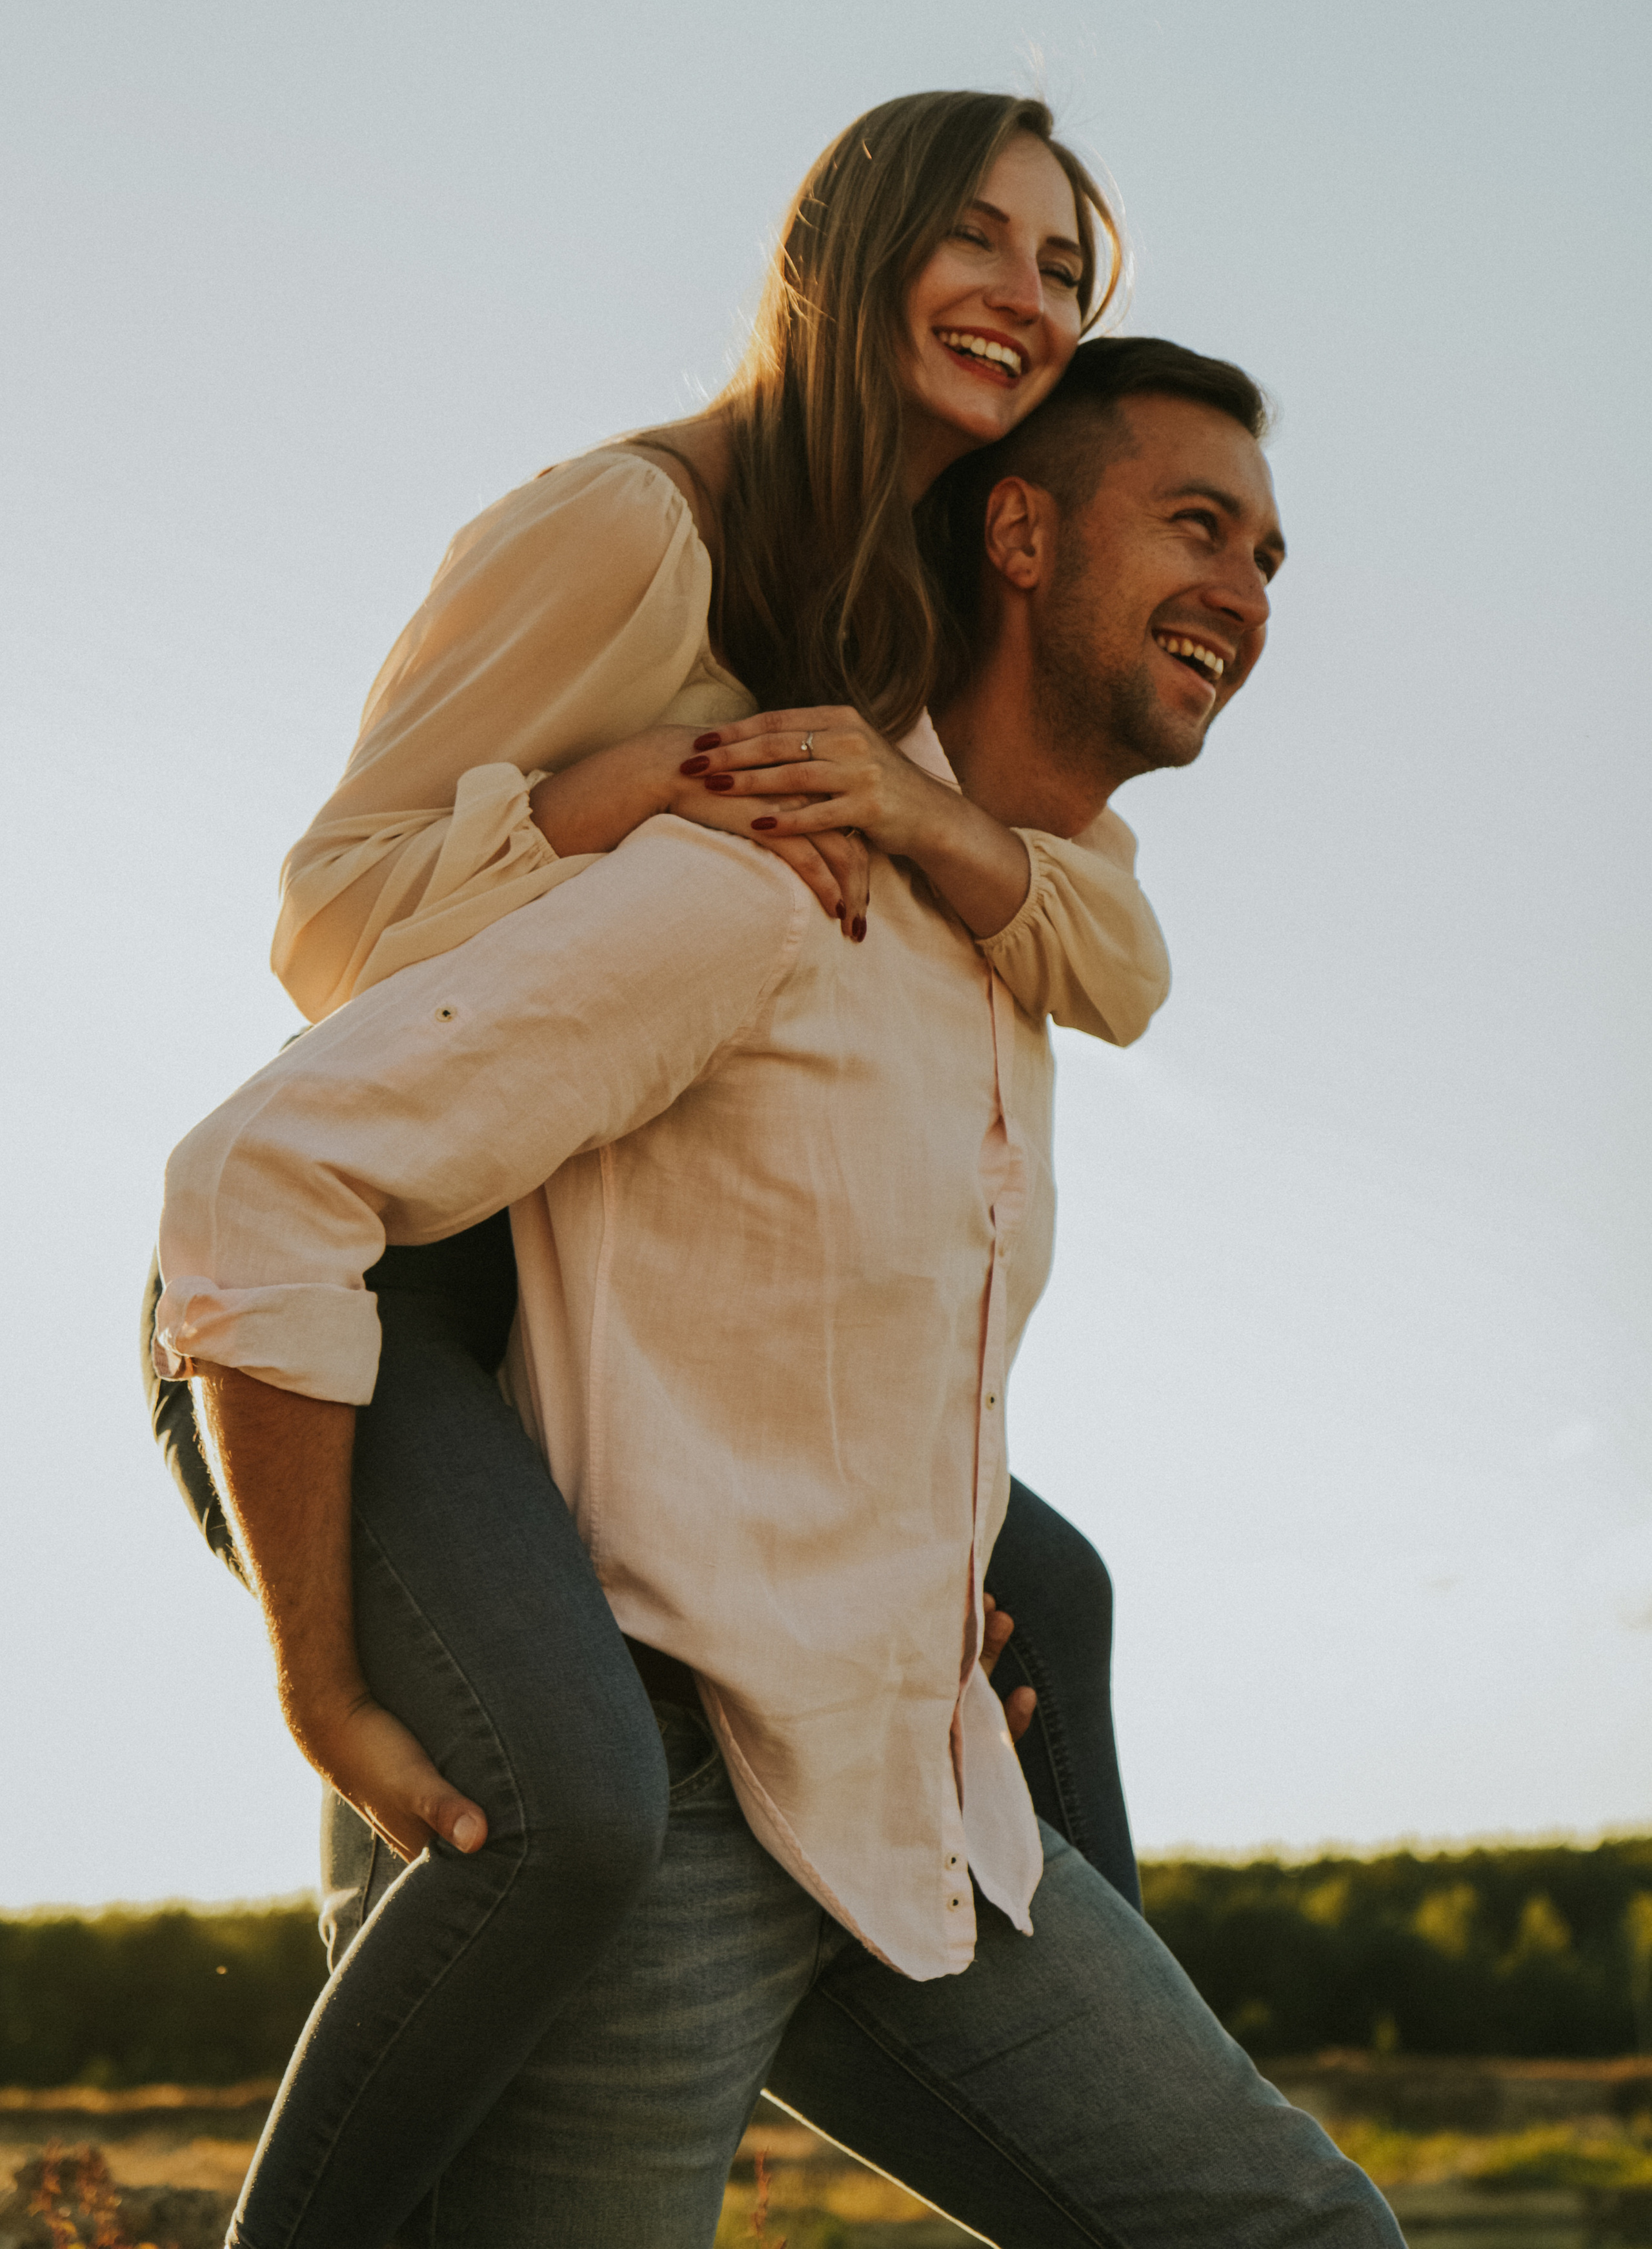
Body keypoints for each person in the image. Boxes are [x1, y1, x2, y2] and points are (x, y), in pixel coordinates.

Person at [157, 336, 1405, 2246]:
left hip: (924, 1799)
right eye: (1196, 527)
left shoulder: (1029, 924)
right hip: (667, 1794)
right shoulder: (758, 877)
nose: (1245, 589)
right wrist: (324, 1678)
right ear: (1015, 531)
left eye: (1270, 557)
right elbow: (260, 1178)